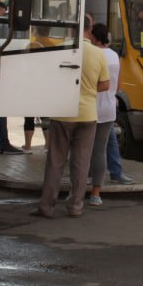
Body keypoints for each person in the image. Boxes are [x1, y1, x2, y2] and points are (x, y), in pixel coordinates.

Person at [33, 14, 110, 219]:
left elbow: (50, 78)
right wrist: (88, 90)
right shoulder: (98, 54)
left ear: (71, 28)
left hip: (63, 112)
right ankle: (75, 206)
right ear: (90, 29)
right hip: (87, 114)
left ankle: (46, 206)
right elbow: (106, 84)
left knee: (56, 161)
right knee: (81, 162)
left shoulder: (62, 49)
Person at [86, 23, 120, 206]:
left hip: (90, 107)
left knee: (83, 151)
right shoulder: (114, 55)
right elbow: (117, 85)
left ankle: (78, 189)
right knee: (100, 151)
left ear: (94, 37)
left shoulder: (93, 54)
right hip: (108, 107)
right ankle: (96, 193)